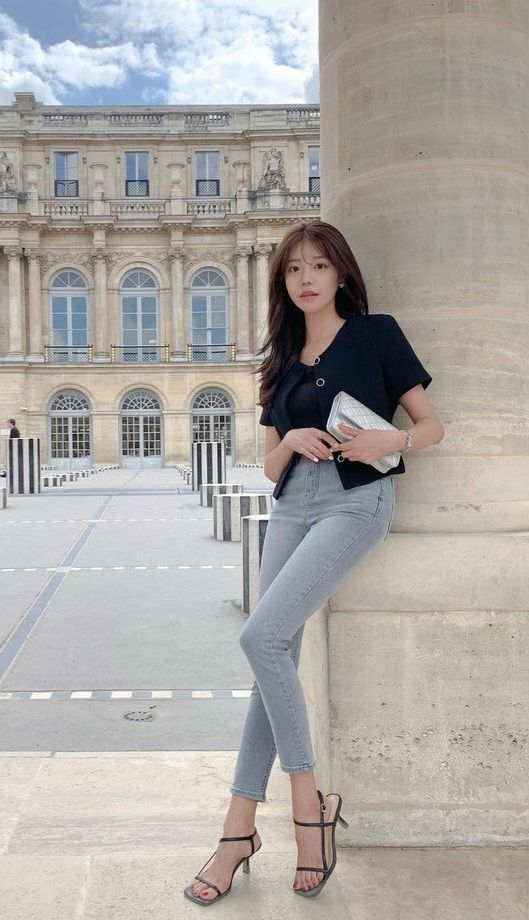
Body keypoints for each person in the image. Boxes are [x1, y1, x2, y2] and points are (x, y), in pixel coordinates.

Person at [184, 221, 445, 905]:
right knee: (269, 658)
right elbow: (270, 465)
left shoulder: (374, 335)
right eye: (295, 268)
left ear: (341, 274)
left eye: (319, 266)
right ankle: (238, 829)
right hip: (292, 505)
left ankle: (306, 805)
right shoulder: (280, 357)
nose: (306, 278)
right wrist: (293, 437)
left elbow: (431, 425)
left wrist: (391, 440)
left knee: (260, 637)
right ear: (283, 280)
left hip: (354, 504)